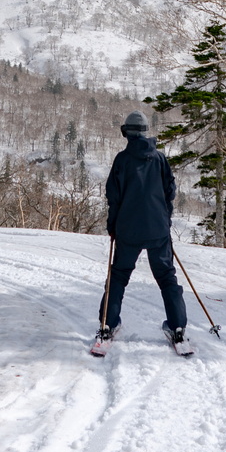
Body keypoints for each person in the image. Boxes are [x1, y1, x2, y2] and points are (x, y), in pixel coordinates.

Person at [97, 111, 187, 345]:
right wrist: (165, 220)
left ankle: (108, 323)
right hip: (158, 230)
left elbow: (113, 197)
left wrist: (112, 226)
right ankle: (177, 326)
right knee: (167, 276)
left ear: (127, 132)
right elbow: (170, 192)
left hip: (128, 229)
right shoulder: (159, 159)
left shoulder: (122, 160)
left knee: (118, 276)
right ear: (146, 132)